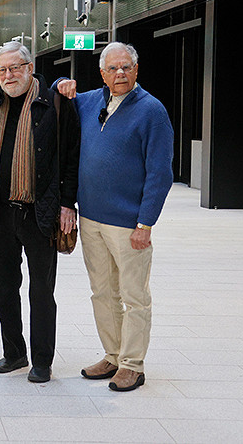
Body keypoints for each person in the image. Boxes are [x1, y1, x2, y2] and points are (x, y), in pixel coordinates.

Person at [56, 41, 173, 392]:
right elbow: (55, 97)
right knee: (102, 292)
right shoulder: (90, 101)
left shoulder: (152, 111)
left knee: (134, 295)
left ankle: (133, 365)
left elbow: (160, 173)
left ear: (136, 70)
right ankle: (112, 354)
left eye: (126, 67)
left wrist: (145, 223)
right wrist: (61, 82)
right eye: (112, 68)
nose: (119, 73)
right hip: (90, 219)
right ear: (102, 73)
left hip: (128, 224)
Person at [0, 41, 80, 384]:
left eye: (15, 68)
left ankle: (41, 360)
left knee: (41, 291)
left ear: (29, 68)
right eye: (2, 70)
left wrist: (68, 203)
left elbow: (70, 156)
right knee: (4, 287)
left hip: (40, 211)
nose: (8, 76)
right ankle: (14, 352)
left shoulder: (54, 102)